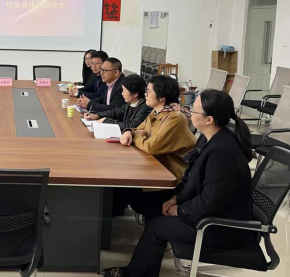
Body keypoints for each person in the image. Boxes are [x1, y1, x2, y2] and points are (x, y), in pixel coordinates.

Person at [103, 90, 255, 277]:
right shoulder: (210, 138)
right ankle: (143, 272)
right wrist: (175, 199)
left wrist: (179, 210)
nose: (189, 112)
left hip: (221, 227)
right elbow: (194, 180)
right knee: (154, 208)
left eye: (194, 110)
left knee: (156, 226)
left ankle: (134, 274)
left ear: (209, 120)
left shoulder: (221, 153)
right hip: (212, 214)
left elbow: (210, 202)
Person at [116, 75, 196, 219]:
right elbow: (138, 129)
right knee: (120, 188)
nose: (145, 94)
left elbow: (151, 147)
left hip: (171, 177)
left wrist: (137, 136)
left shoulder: (174, 118)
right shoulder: (156, 112)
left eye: (149, 92)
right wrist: (128, 131)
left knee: (122, 190)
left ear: (161, 98)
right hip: (156, 167)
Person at [84, 74, 151, 130]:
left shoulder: (146, 108)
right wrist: (97, 115)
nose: (122, 94)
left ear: (135, 94)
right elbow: (115, 112)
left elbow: (131, 126)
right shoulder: (130, 104)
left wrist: (106, 121)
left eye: (124, 91)